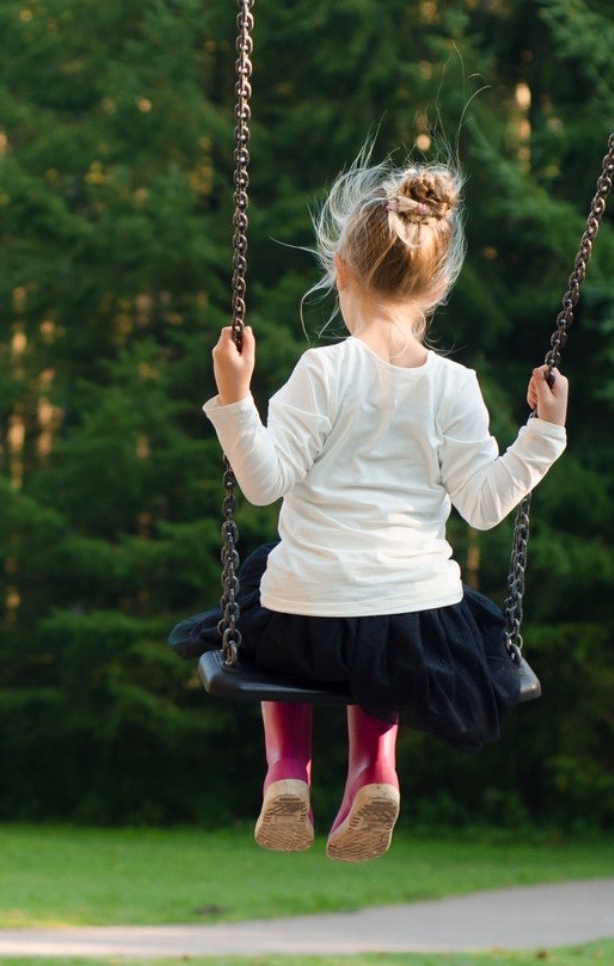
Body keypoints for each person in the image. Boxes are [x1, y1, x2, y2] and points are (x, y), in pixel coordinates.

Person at [170, 154, 568, 862]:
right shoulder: (456, 385)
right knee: (383, 637)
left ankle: (287, 771)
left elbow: (262, 482)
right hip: (415, 624)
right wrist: (544, 434)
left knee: (270, 588)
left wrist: (235, 399)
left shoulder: (322, 371)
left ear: (341, 273)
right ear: (439, 284)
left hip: (306, 618)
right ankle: (375, 772)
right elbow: (483, 506)